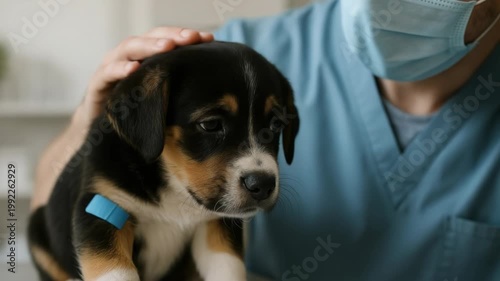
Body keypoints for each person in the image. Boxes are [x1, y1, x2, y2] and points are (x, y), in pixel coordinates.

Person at [33, 0, 500, 280]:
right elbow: (52, 202)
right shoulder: (231, 53)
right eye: (213, 126)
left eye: (274, 129)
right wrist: (88, 128)